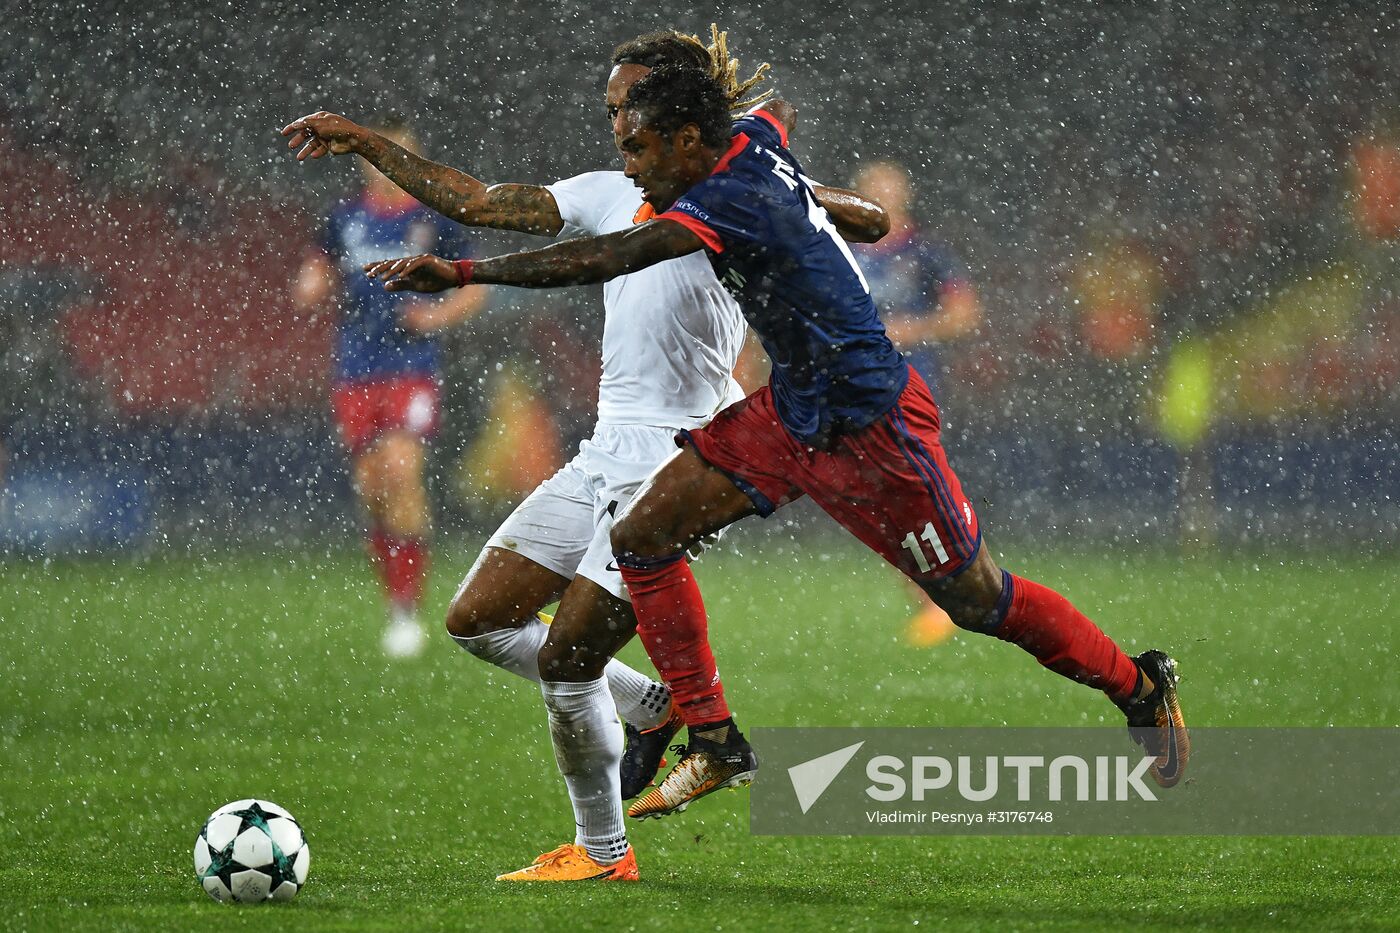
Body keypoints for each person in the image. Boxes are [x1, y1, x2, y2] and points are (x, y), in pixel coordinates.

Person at [363, 64, 1189, 834]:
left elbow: (614, 254)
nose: (633, 167)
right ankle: (713, 736)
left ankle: (1138, 682)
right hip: (789, 412)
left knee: (977, 599)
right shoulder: (750, 138)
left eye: (641, 145)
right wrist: (843, 203)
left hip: (874, 429)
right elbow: (777, 117)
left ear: (689, 140)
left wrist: (467, 273)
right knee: (643, 535)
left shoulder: (729, 198)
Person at [283, 28, 889, 881]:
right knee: (478, 621)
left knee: (570, 660)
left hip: (677, 460)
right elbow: (480, 199)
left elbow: (869, 220)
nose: (613, 123)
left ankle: (603, 854)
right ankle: (658, 703)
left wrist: (814, 197)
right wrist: (367, 143)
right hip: (606, 447)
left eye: (626, 106)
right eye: (610, 109)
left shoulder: (737, 196)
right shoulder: (613, 190)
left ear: (676, 109)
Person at [293, 118, 488, 659]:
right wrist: (312, 285)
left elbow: (475, 290)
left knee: (402, 471)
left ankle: (409, 612)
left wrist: (437, 316)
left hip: (412, 367)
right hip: (355, 369)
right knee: (372, 487)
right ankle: (394, 602)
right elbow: (315, 273)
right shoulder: (341, 218)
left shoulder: (435, 220)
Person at [851, 160, 983, 647]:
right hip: (852, 389)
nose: (879, 196)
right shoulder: (844, 250)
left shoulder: (927, 253)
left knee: (912, 493)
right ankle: (942, 595)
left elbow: (965, 314)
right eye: (870, 188)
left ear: (905, 195)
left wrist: (911, 328)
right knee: (885, 499)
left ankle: (945, 596)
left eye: (887, 188)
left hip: (910, 389)